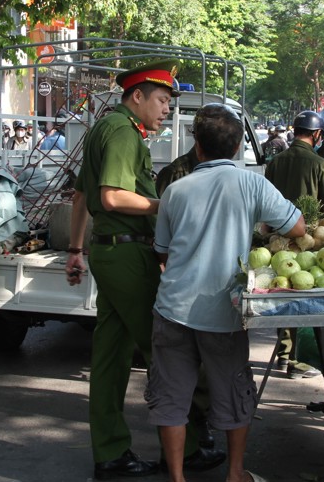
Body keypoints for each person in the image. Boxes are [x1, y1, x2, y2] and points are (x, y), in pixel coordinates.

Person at [65, 61, 225, 479]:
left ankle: (110, 452)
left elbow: (81, 195)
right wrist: (165, 205)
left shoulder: (105, 127)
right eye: (161, 100)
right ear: (136, 96)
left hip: (108, 252)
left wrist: (76, 248)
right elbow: (113, 197)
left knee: (110, 358)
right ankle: (188, 448)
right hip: (126, 254)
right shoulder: (121, 132)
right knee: (167, 350)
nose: (165, 110)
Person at [147, 103, 305, 482]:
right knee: (233, 391)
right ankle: (236, 474)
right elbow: (298, 227)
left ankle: (177, 478)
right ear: (237, 149)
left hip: (173, 308)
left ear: (197, 147)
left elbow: (163, 249)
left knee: (171, 398)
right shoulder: (252, 183)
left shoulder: (175, 190)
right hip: (224, 311)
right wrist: (260, 227)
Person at [264, 110, 324, 379]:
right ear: (317, 134)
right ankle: (297, 359)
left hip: (278, 241)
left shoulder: (276, 162)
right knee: (304, 293)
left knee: (283, 290)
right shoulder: (319, 163)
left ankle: (284, 354)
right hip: (308, 240)